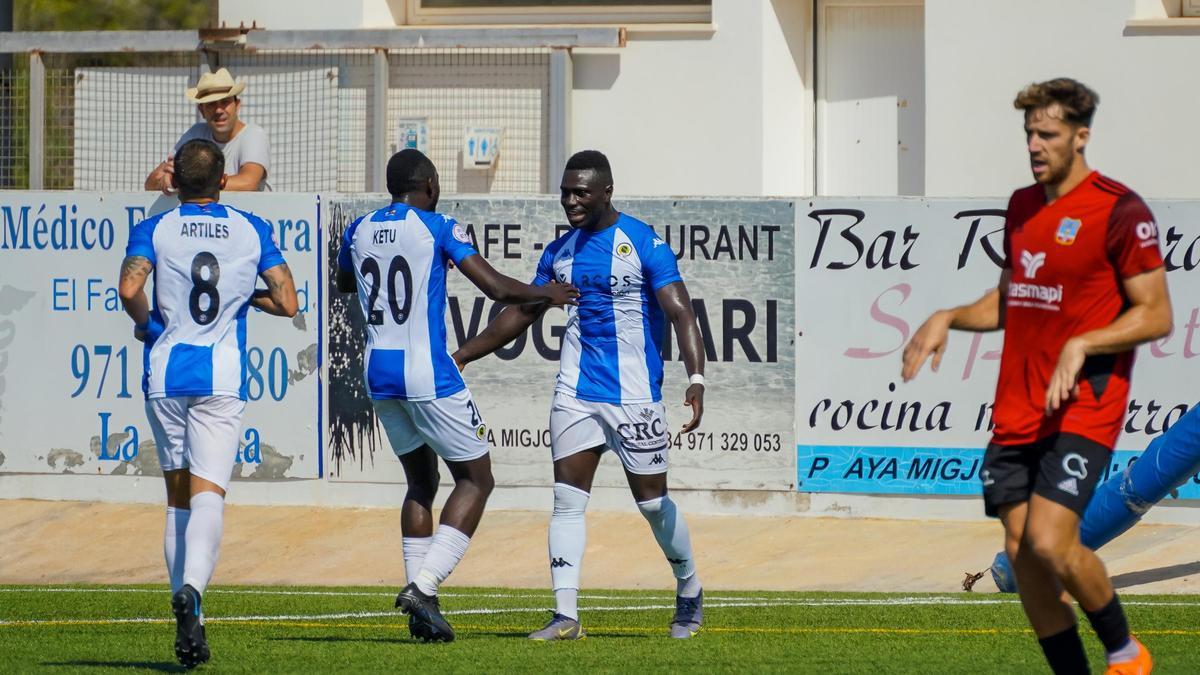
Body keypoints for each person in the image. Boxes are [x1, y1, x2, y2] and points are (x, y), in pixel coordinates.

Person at [902, 78, 1170, 674]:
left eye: (1046, 133)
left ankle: (1127, 654)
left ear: (1081, 136)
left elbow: (1156, 313)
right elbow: (1008, 301)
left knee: (1051, 540)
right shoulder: (1023, 206)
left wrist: (1085, 342)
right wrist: (949, 315)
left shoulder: (1120, 210)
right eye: (1028, 132)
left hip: (1085, 405)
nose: (1034, 143)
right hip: (1017, 407)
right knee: (1023, 556)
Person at [453, 150, 709, 640]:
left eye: (580, 192)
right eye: (565, 191)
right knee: (567, 502)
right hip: (574, 392)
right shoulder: (560, 251)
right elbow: (522, 312)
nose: (570, 200)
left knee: (653, 505)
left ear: (606, 191)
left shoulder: (641, 241)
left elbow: (681, 313)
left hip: (635, 395)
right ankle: (565, 615)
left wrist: (696, 379)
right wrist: (463, 355)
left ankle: (689, 589)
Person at [335, 149, 579, 642]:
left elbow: (344, 282)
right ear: (427, 185)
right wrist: (548, 294)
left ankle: (422, 606)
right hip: (427, 372)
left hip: (378, 372)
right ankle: (423, 589)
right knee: (476, 479)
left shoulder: (357, 229)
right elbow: (496, 289)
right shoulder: (438, 224)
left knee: (419, 484)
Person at [118, 139, 298, 668]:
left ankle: (187, 615)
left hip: (166, 371)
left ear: (175, 183)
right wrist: (246, 297)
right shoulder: (250, 228)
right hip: (220, 376)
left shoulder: (155, 228)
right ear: (223, 180)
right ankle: (193, 592)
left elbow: (130, 288)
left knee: (177, 498)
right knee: (210, 497)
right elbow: (288, 303)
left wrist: (148, 325)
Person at [145, 68, 271, 194]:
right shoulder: (195, 133)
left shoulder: (254, 134)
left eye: (225, 102)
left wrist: (187, 182)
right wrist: (170, 180)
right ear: (201, 110)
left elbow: (248, 183)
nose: (218, 110)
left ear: (237, 105)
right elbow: (151, 182)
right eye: (211, 104)